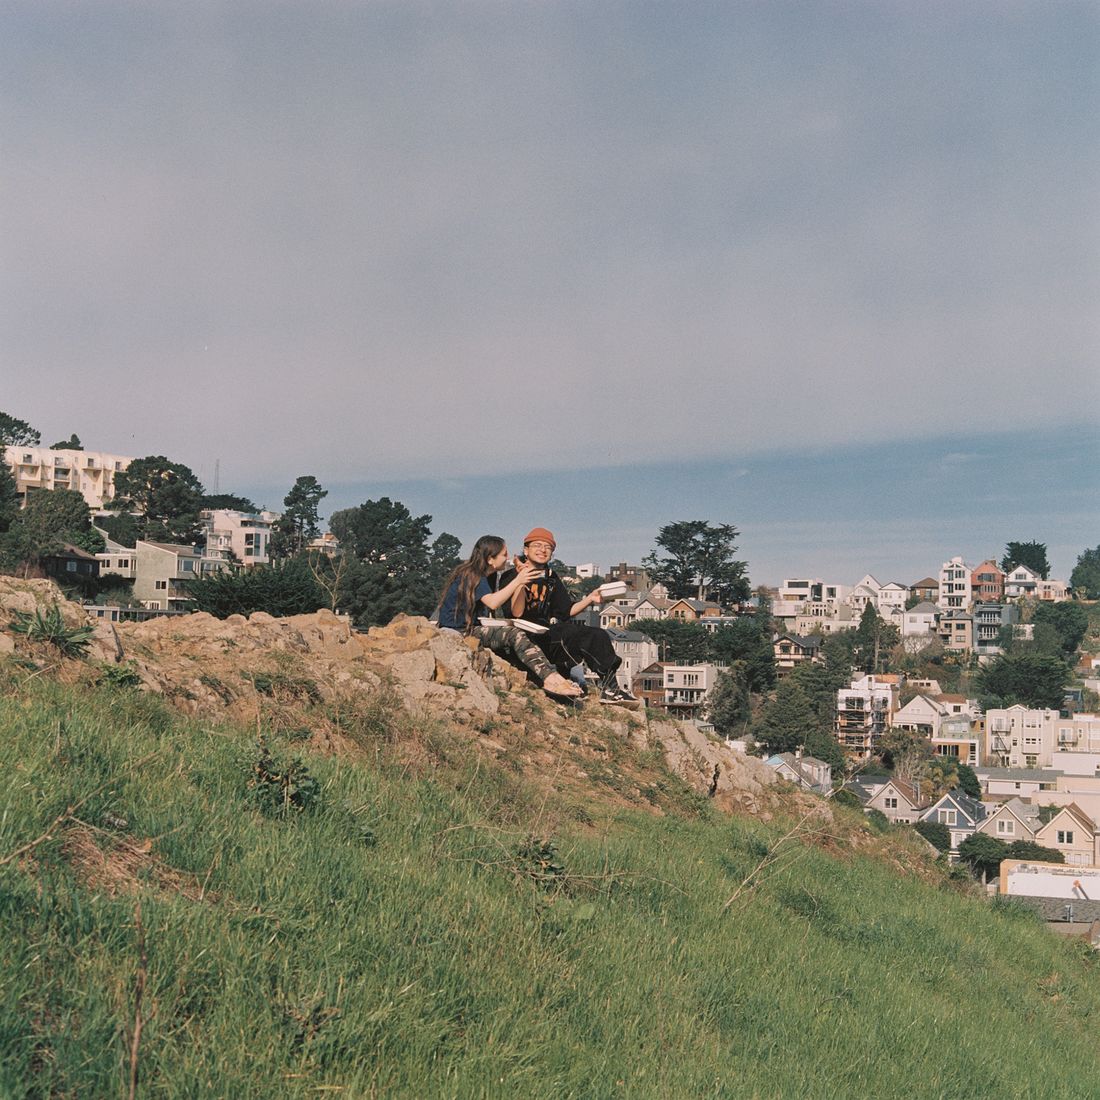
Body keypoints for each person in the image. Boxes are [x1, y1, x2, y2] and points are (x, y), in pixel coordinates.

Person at [500, 527, 638, 704]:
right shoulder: (510, 576)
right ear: (526, 550)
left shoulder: (550, 577)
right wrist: (521, 580)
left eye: (548, 547)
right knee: (564, 635)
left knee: (596, 634)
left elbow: (566, 611)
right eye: (537, 545)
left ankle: (611, 688)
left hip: (546, 633)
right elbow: (516, 613)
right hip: (522, 636)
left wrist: (590, 598)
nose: (543, 550)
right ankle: (562, 679)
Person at [437, 535, 583, 698]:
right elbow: (493, 603)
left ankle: (549, 675)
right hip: (458, 631)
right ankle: (551, 679)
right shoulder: (473, 574)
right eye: (504, 554)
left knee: (516, 634)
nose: (507, 558)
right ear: (490, 559)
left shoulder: (487, 575)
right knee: (514, 634)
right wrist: (518, 580)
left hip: (470, 627)